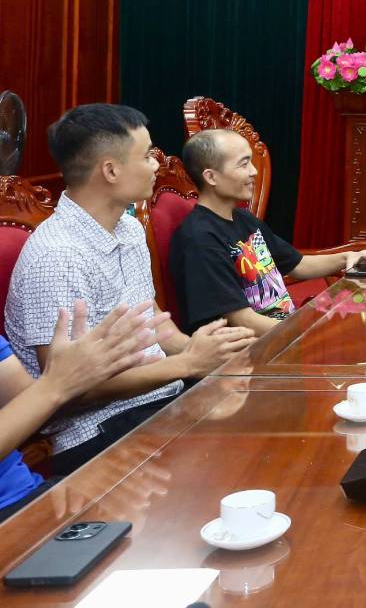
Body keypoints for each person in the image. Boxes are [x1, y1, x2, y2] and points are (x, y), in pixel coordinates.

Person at [5, 104, 256, 474]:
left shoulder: (129, 228)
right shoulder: (57, 256)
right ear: (111, 170)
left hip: (163, 398)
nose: (157, 164)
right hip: (99, 431)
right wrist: (186, 363)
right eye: (146, 155)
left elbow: (152, 320)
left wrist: (201, 352)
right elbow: (71, 388)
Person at [172, 129, 366, 336]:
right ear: (211, 177)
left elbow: (298, 265)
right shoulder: (200, 239)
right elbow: (243, 320)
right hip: (255, 349)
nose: (254, 171)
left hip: (284, 333)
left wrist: (347, 258)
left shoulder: (243, 218)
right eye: (244, 164)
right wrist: (311, 332)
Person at [0, 301, 168, 521]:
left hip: (29, 494)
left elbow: (32, 408)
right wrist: (55, 385)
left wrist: (90, 373)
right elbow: (48, 390)